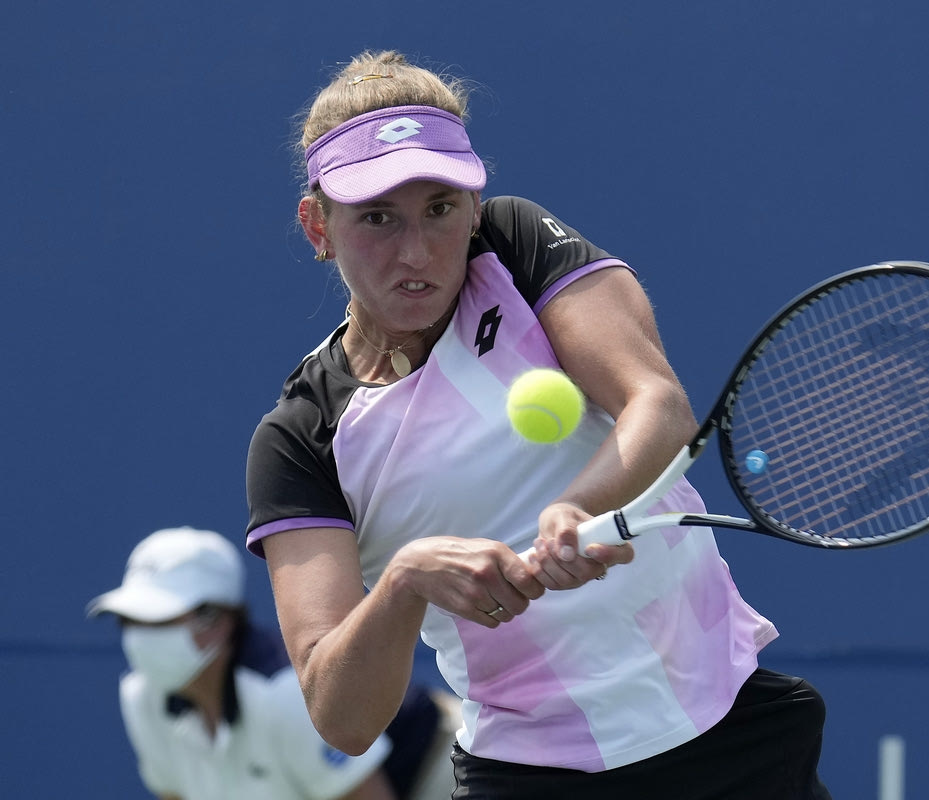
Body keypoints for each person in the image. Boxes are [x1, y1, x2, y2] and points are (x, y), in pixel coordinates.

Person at [246, 50, 832, 799]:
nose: (416, 251)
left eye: (440, 208)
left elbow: (657, 405)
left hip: (731, 735)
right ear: (317, 226)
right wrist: (403, 580)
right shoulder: (301, 437)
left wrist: (575, 509)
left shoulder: (515, 247)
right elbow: (342, 719)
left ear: (474, 206)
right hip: (529, 778)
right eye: (377, 218)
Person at [87, 526, 460, 800]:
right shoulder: (140, 698)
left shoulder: (285, 696)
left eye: (158, 619)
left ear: (217, 620)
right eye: (129, 621)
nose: (140, 637)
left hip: (441, 764)